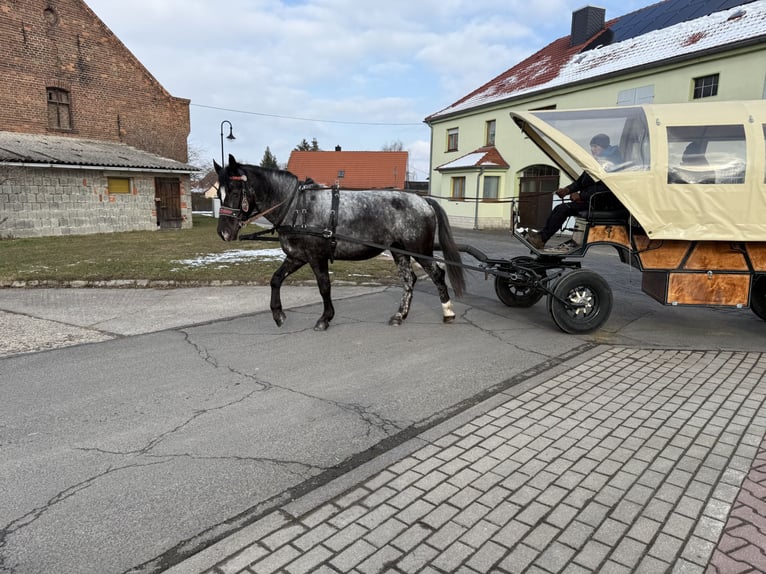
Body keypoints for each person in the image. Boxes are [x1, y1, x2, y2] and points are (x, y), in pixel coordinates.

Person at [527, 133, 622, 250]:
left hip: (603, 204)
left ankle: (541, 239)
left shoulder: (611, 164)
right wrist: (567, 190)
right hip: (592, 201)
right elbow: (580, 182)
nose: (592, 150)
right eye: (591, 146)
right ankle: (541, 236)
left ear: (604, 147)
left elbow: (604, 188)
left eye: (595, 147)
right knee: (559, 208)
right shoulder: (596, 163)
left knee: (562, 209)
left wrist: (581, 196)